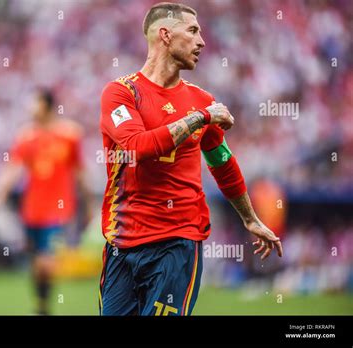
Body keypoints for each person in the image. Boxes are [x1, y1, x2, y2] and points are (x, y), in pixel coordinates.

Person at [98, 2, 283, 316]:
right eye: (193, 31)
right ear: (166, 35)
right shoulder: (121, 93)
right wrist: (202, 118)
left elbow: (222, 161)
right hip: (122, 243)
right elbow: (136, 146)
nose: (202, 42)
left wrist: (249, 217)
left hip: (178, 242)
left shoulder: (200, 99)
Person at [0, 90, 92, 315]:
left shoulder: (70, 134)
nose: (30, 108)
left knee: (47, 261)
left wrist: (90, 202)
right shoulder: (26, 136)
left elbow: (80, 170)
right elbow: (14, 167)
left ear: (47, 106)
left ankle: (44, 307)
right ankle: (42, 306)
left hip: (59, 210)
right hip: (32, 210)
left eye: (34, 103)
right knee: (37, 264)